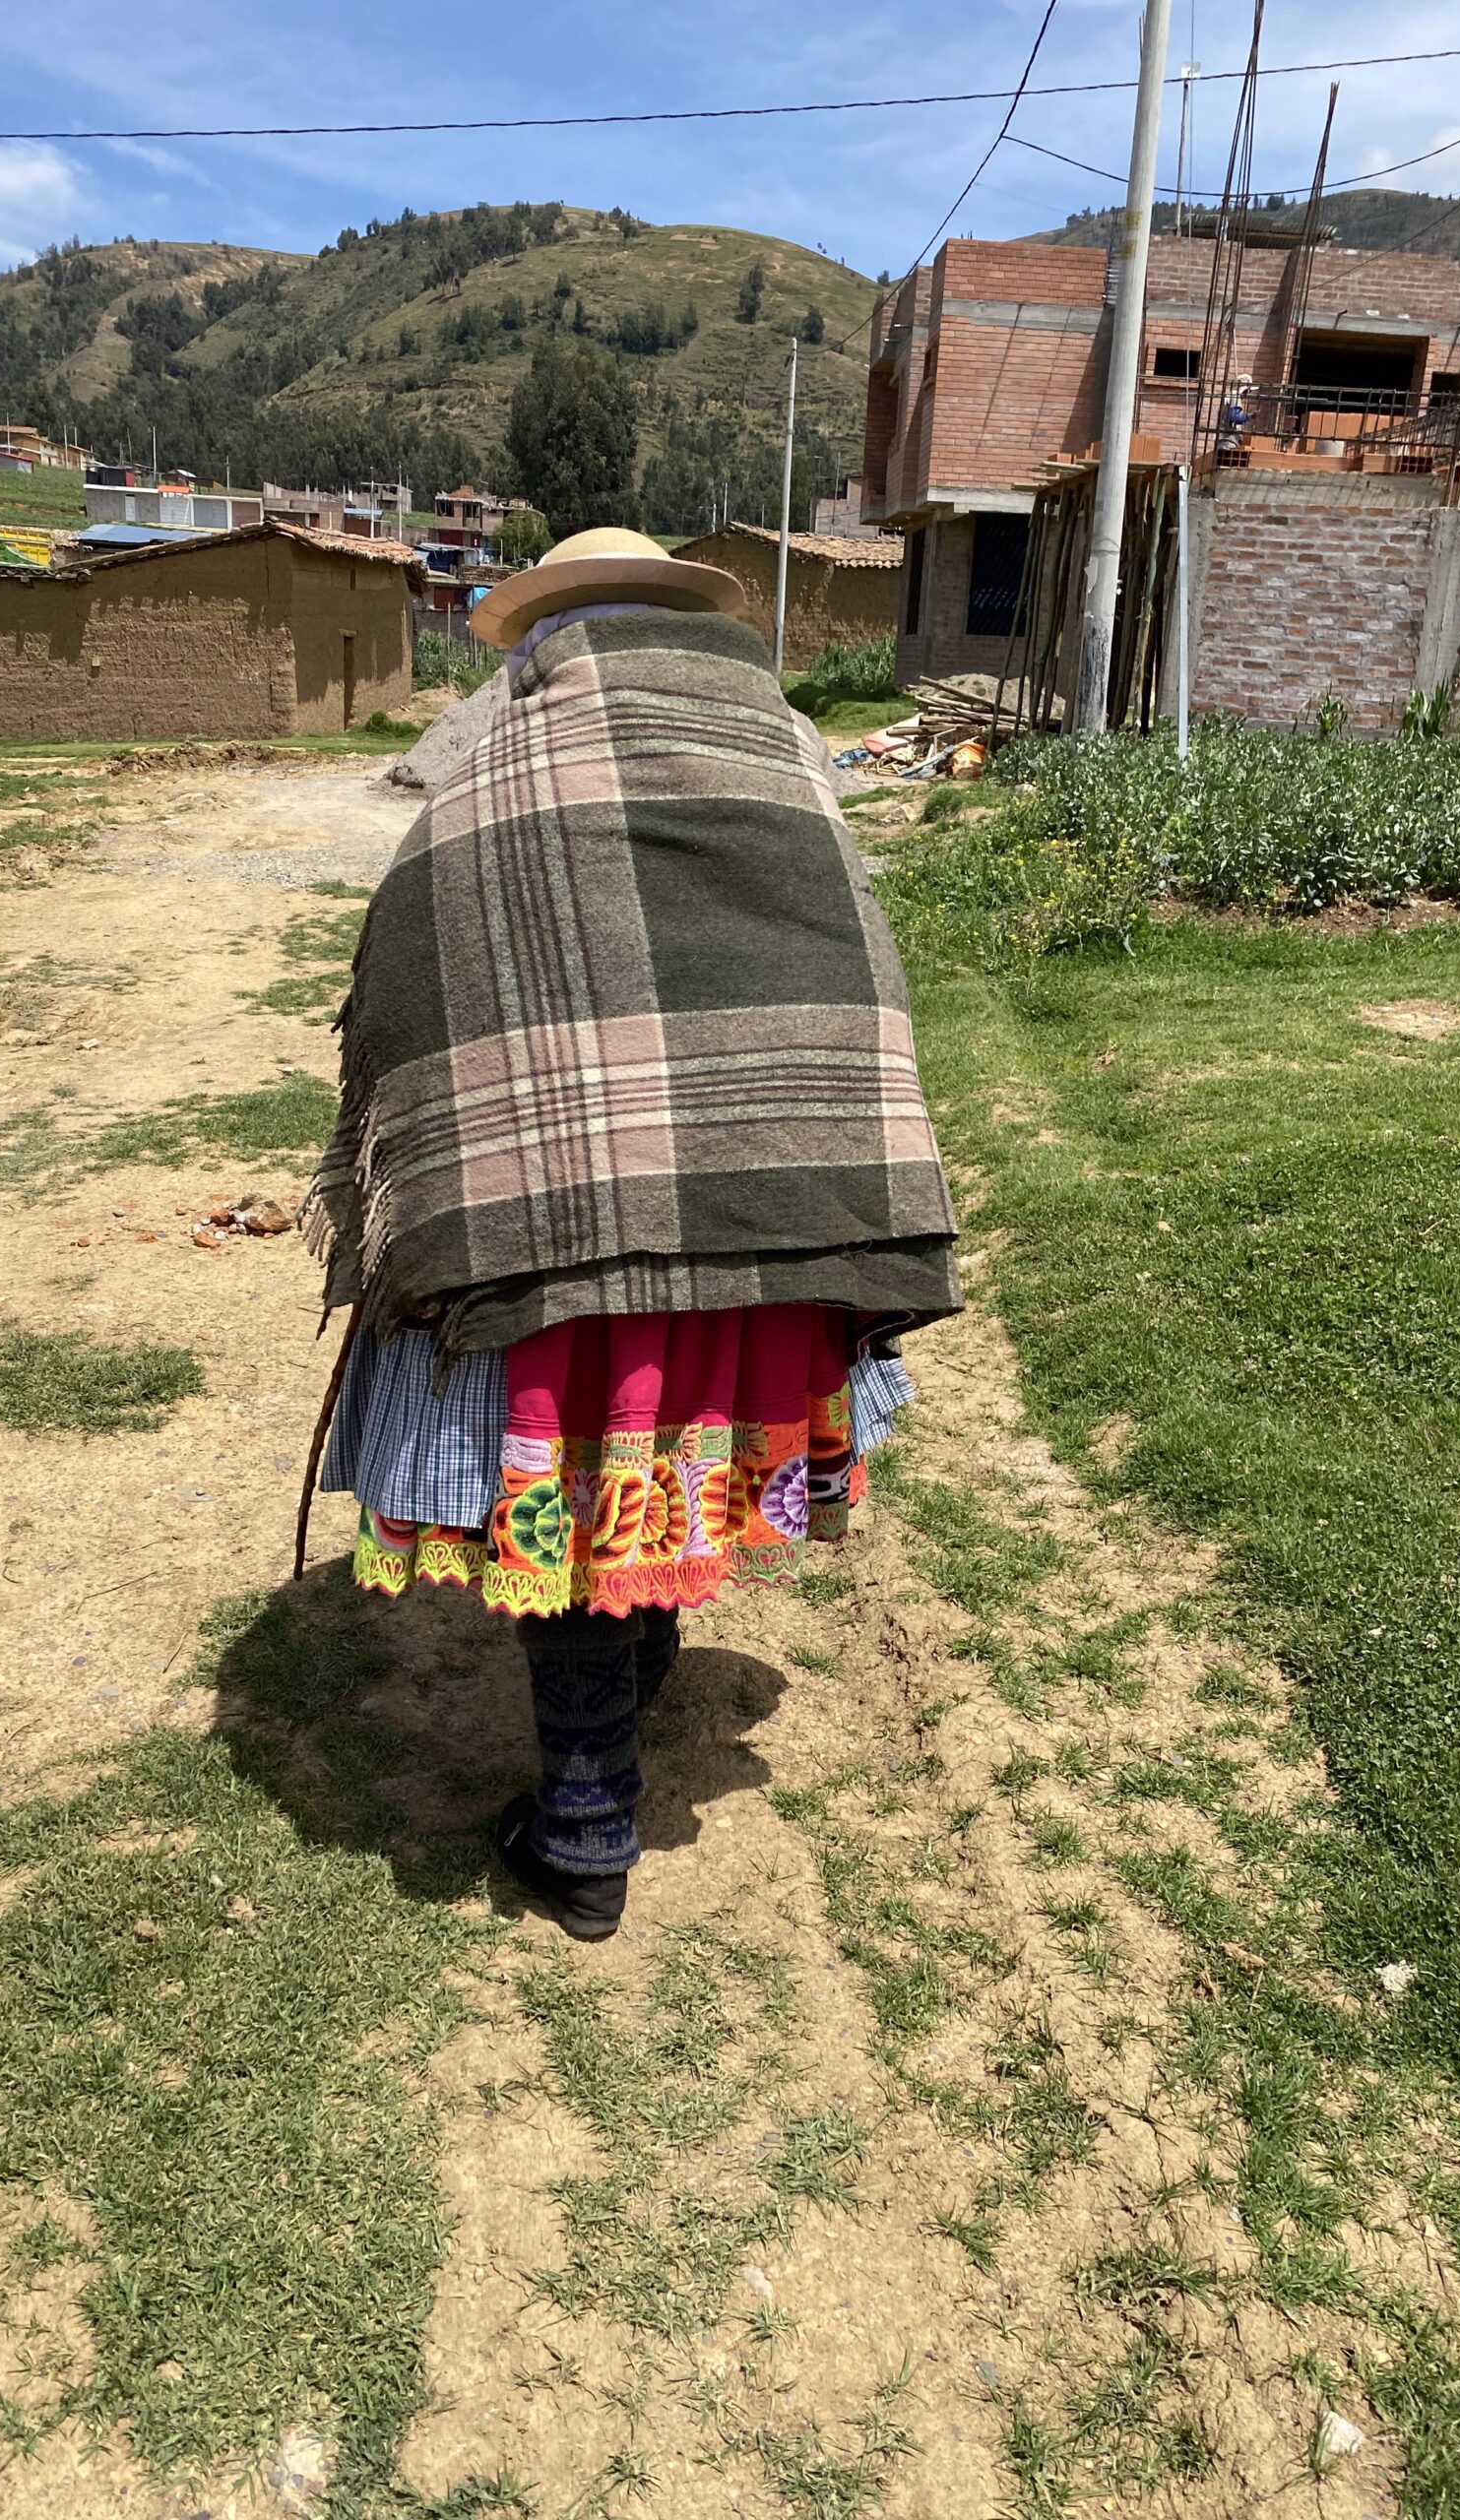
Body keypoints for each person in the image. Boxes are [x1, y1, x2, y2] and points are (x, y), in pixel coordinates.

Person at [304, 527, 959, 1939]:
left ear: (551, 632)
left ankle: (587, 1827)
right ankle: (642, 1650)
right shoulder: (781, 751)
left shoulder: (507, 760)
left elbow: (419, 966)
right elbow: (844, 955)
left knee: (579, 1464)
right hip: (769, 1196)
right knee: (650, 1452)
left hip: (553, 1203)